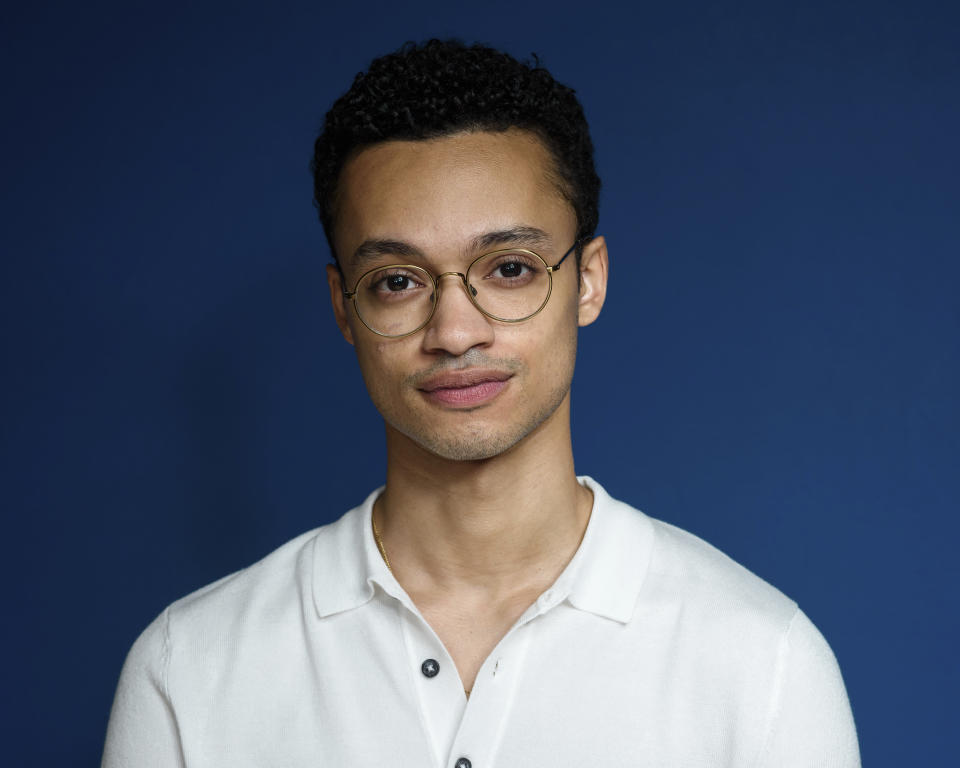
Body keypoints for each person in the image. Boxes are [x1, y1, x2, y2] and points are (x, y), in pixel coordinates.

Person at [102, 39, 860, 767]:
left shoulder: (762, 663)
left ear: (588, 280)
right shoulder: (188, 669)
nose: (455, 331)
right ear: (343, 307)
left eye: (509, 269)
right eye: (398, 281)